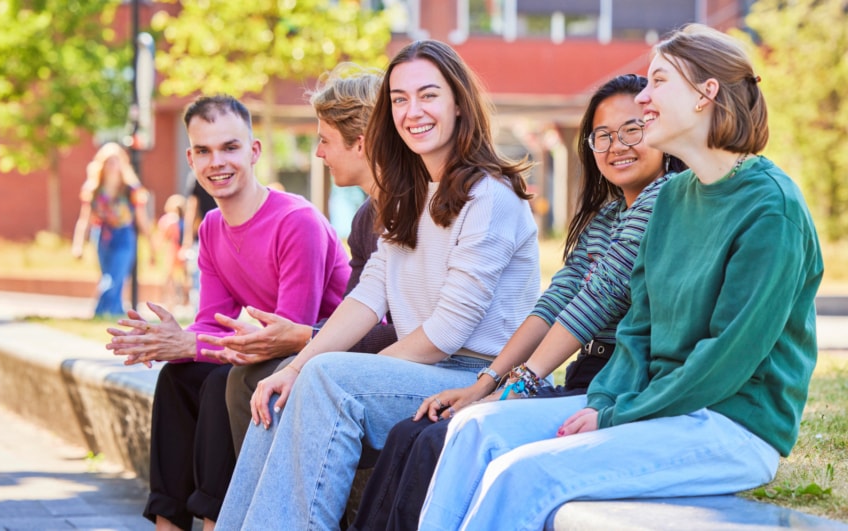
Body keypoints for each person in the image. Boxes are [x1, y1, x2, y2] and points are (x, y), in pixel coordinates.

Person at [418, 23, 824, 531]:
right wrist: (609, 402)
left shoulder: (771, 209)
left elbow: (726, 359)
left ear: (706, 94)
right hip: (651, 406)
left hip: (729, 425)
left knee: (524, 474)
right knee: (475, 429)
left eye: (657, 83)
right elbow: (637, 329)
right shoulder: (674, 198)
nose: (645, 97)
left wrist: (612, 418)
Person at [215, 39, 541, 530]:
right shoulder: (407, 196)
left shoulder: (488, 196)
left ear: (458, 103)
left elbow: (448, 332)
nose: (413, 112)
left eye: (428, 95)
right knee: (283, 390)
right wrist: (298, 367)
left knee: (327, 379)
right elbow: (368, 296)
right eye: (399, 99)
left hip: (477, 378)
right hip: (422, 374)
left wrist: (339, 370)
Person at [349, 73, 685, 531]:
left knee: (438, 440)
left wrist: (516, 387)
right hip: (586, 375)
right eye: (602, 136)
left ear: (661, 130)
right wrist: (487, 382)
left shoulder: (664, 197)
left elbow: (597, 299)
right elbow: (555, 301)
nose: (617, 145)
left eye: (633, 130)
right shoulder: (608, 215)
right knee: (412, 432)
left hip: (622, 385)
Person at [106, 95, 351, 531]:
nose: (217, 162)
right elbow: (211, 324)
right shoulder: (211, 228)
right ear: (191, 158)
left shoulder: (297, 222)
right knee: (179, 378)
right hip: (265, 355)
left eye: (230, 148)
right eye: (203, 150)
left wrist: (189, 342)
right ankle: (169, 523)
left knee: (223, 381)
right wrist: (163, 341)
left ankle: (215, 522)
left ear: (254, 151)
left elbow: (280, 336)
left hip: (323, 355)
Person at [201, 63, 397, 456]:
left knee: (255, 381)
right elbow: (354, 312)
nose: (319, 152)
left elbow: (404, 331)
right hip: (361, 353)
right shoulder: (365, 217)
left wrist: (304, 339)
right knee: (230, 379)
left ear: (360, 142)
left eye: (325, 140)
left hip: (398, 364)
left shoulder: (410, 212)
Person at [71, 142, 155, 318]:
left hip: (125, 236)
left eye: (115, 161)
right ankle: (116, 314)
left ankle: (98, 313)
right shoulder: (94, 190)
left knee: (114, 279)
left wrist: (152, 247)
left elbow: (142, 220)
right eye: (108, 161)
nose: (112, 165)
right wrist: (78, 244)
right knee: (108, 277)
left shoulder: (131, 190)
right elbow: (84, 219)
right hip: (102, 236)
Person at [181, 174, 217, 310]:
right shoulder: (198, 177)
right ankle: (202, 311)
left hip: (225, 232)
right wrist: (187, 239)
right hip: (203, 234)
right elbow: (192, 209)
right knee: (200, 276)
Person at [156, 193, 189, 310]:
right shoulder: (186, 220)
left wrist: (155, 251)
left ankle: (170, 301)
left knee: (169, 277)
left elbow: (162, 236)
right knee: (184, 276)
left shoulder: (168, 220)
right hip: (184, 250)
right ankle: (185, 299)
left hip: (172, 249)